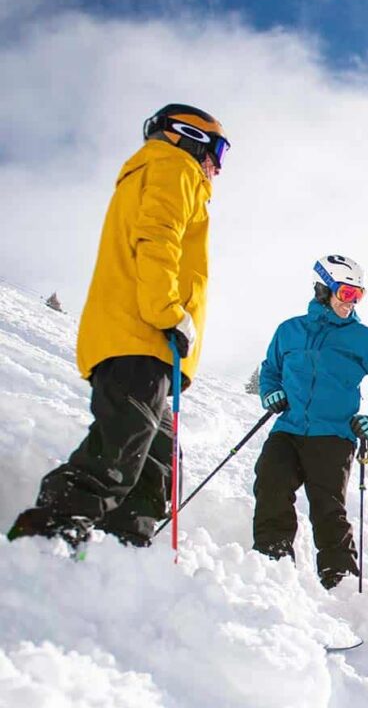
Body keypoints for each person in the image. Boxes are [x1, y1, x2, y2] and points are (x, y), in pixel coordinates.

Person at [8, 103, 230, 548]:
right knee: (121, 449)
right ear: (187, 136)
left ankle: (125, 548)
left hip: (146, 343)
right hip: (141, 335)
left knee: (158, 462)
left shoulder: (161, 172)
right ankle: (49, 529)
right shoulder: (174, 168)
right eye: (218, 151)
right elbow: (158, 240)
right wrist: (169, 313)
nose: (217, 167)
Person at [254, 254, 368, 589]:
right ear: (324, 289)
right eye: (346, 294)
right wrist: (271, 393)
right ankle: (271, 560)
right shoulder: (289, 331)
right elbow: (271, 370)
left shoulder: (365, 339)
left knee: (327, 506)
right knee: (269, 483)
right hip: (289, 428)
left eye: (358, 296)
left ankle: (340, 579)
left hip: (333, 435)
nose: (352, 303)